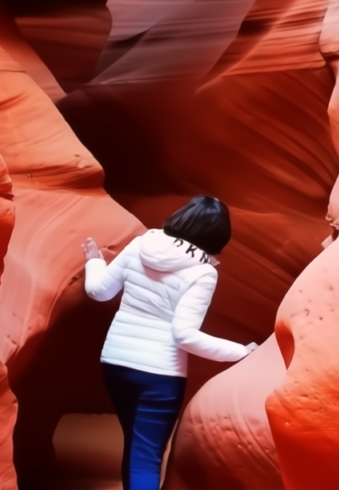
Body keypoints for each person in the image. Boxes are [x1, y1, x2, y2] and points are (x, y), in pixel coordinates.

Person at [81, 195, 258, 490]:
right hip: (160, 374)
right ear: (218, 237)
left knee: (137, 445)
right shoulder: (203, 271)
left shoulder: (141, 244)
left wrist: (94, 263)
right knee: (146, 455)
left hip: (115, 363)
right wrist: (240, 352)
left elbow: (99, 291)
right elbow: (184, 334)